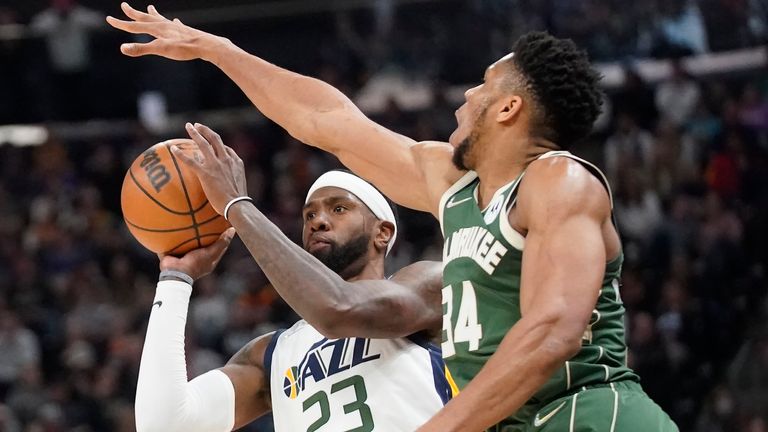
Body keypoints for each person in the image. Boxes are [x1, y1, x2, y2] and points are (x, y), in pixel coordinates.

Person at [108, 5, 678, 431]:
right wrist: (217, 49)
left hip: (593, 412)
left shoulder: (558, 178)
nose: (467, 94)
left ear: (508, 109)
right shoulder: (453, 189)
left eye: (483, 86)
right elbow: (326, 119)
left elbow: (553, 331)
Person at [135, 126, 448, 431]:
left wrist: (236, 206)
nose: (318, 222)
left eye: (338, 208)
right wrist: (176, 277)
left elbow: (338, 309)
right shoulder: (273, 353)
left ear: (383, 233)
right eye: (309, 215)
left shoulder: (429, 284)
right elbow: (164, 425)